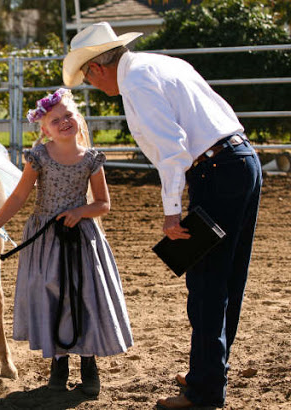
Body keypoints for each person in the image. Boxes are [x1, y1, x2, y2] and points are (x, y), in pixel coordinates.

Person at [62, 22, 262, 409]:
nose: (93, 85)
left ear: (97, 67)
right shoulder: (163, 64)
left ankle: (204, 390)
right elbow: (217, 112)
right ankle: (209, 371)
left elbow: (172, 151)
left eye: (89, 77)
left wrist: (172, 213)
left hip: (215, 171)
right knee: (228, 277)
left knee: (206, 282)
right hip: (240, 161)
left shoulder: (136, 82)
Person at [0, 87, 133, 396]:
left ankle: (89, 364)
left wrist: (80, 212)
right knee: (50, 294)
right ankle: (59, 363)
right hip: (46, 239)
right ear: (45, 130)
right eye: (55, 120)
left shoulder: (91, 159)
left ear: (78, 117)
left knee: (84, 295)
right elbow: (19, 196)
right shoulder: (39, 157)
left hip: (81, 239)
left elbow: (103, 204)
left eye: (68, 115)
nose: (64, 122)